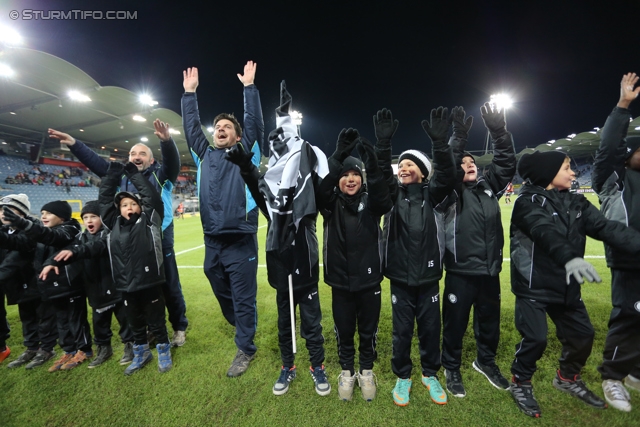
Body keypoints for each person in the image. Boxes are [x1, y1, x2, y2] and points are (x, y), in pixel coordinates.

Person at [508, 150, 640, 418]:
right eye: (567, 168)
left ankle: (567, 378)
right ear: (549, 172)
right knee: (536, 338)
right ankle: (520, 382)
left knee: (583, 336)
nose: (574, 172)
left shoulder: (577, 203)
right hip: (534, 285)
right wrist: (569, 258)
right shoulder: (527, 201)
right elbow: (543, 230)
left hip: (566, 285)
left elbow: (606, 228)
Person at [226, 83, 329, 396]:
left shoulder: (310, 196)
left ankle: (318, 366)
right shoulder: (271, 202)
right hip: (280, 262)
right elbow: (260, 190)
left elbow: (324, 181)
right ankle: (288, 366)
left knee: (312, 321)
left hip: (306, 262)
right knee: (286, 321)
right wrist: (246, 167)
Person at [48, 119, 188, 348]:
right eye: (133, 152)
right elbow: (97, 163)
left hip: (159, 242)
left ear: (151, 160)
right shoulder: (121, 178)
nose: (136, 155)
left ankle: (179, 327)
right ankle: (149, 331)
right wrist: (74, 143)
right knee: (138, 291)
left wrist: (166, 141)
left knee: (169, 287)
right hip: (129, 246)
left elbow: (172, 163)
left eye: (142, 153)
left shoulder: (160, 177)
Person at [41, 162, 173, 375]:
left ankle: (163, 349)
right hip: (125, 285)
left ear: (140, 207)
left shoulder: (150, 220)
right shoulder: (113, 225)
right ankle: (141, 352)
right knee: (135, 322)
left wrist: (132, 173)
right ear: (117, 210)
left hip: (150, 282)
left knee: (156, 320)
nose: (128, 208)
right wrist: (112, 174)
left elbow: (151, 197)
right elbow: (104, 200)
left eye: (132, 204)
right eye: (123, 205)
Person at [181, 61, 264, 377]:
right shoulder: (203, 154)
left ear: (238, 135)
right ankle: (243, 319)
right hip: (212, 239)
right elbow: (191, 128)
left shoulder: (247, 151)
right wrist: (190, 95)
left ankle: (245, 348)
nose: (220, 129)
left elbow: (254, 123)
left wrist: (249, 88)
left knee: (244, 298)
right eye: (217, 127)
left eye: (226, 127)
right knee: (217, 283)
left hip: (241, 239)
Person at [375, 107, 457, 407]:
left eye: (410, 164)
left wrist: (439, 144)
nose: (403, 168)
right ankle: (403, 375)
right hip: (399, 277)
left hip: (429, 277)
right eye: (401, 165)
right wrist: (384, 146)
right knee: (402, 331)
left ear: (422, 171)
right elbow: (381, 174)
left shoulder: (433, 196)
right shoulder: (391, 196)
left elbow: (447, 173)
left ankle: (430, 374)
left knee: (430, 328)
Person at [440, 104, 516, 397]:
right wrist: (458, 137)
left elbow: (507, 163)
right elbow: (446, 165)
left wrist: (498, 131)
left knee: (490, 324)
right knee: (455, 324)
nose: (469, 164)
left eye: (472, 162)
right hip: (460, 273)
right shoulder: (449, 193)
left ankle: (485, 362)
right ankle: (451, 367)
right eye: (463, 163)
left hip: (490, 272)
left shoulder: (488, 188)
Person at [316, 125, 392, 401]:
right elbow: (321, 188)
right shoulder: (329, 203)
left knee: (368, 330)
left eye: (355, 175)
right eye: (345, 175)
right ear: (338, 179)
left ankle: (367, 371)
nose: (350, 180)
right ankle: (347, 373)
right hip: (340, 282)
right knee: (344, 329)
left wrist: (372, 166)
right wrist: (338, 155)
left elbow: (385, 199)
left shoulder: (372, 203)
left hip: (370, 281)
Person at [591, 72, 640, 412]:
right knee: (629, 314)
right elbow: (608, 145)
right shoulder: (613, 178)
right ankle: (612, 376)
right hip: (629, 256)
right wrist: (623, 105)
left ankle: (635, 371)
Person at [2, 200, 93, 372]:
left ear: (62, 216)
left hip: (70, 285)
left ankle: (84, 350)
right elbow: (20, 243)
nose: (43, 216)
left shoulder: (70, 229)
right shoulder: (44, 232)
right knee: (61, 321)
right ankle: (68, 350)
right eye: (42, 213)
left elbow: (52, 238)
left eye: (48, 213)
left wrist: (23, 223)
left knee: (75, 320)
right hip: (51, 288)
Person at [73, 201, 134, 368]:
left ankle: (130, 344)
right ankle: (103, 348)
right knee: (99, 320)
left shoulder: (110, 234)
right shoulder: (79, 238)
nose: (89, 220)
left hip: (114, 286)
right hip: (94, 287)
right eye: (85, 217)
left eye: (93, 216)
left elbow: (98, 248)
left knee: (124, 317)